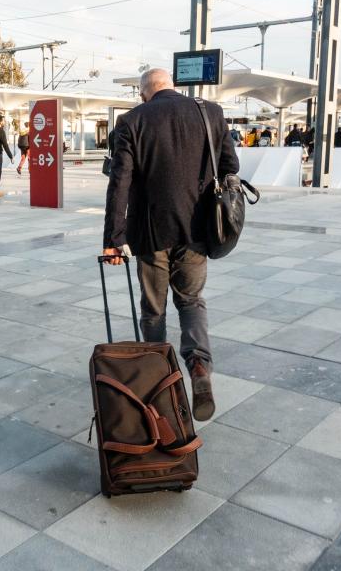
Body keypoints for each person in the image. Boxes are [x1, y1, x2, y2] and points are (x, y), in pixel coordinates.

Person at [102, 68, 239, 422]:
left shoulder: (132, 121)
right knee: (191, 301)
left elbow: (119, 183)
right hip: (196, 231)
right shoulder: (210, 112)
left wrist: (114, 240)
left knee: (153, 311)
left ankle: (159, 378)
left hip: (150, 233)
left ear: (144, 93)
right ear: (171, 87)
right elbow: (230, 166)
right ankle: (198, 368)